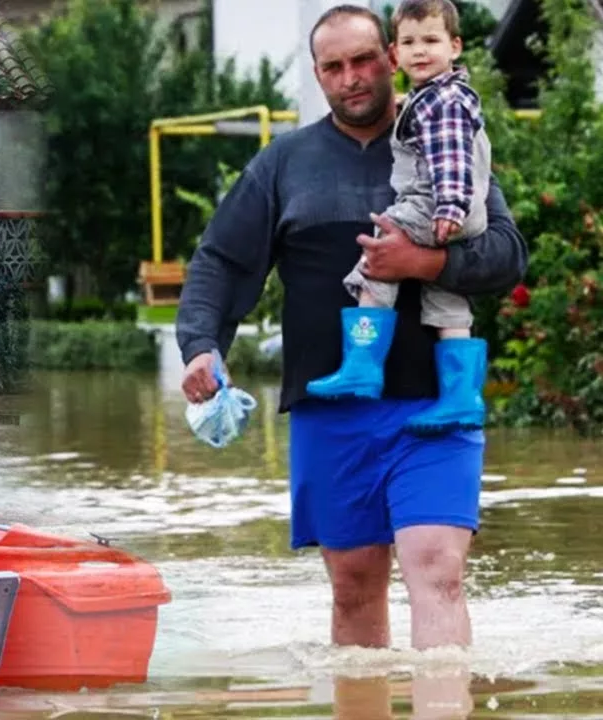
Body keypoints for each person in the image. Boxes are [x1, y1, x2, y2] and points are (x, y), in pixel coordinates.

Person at [177, 4, 526, 654]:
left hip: (436, 406)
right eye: (334, 67)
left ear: (392, 58)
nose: (352, 77)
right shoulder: (283, 163)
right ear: (318, 74)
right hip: (330, 409)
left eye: (364, 59)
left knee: (439, 572)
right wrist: (201, 347)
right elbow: (221, 263)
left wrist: (426, 261)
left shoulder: (446, 137)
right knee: (355, 588)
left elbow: (508, 253)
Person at [308, 0, 490, 436]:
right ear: (395, 55)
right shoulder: (439, 95)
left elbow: (447, 157)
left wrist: (447, 207)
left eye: (431, 40)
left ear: (455, 46)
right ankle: (463, 399)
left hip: (438, 204)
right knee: (447, 301)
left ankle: (363, 365)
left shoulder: (441, 102)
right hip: (466, 212)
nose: (420, 51)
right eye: (409, 42)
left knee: (381, 250)